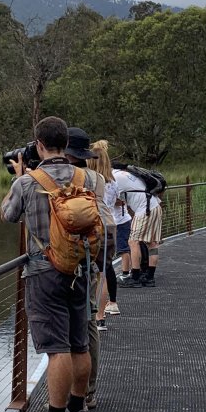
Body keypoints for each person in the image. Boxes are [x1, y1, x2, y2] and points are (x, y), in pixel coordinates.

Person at [1, 117, 113, 412]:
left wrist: (19, 179)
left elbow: (8, 215)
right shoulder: (90, 178)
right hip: (82, 269)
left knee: (57, 350)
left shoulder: (27, 182)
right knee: (79, 344)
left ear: (39, 145)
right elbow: (103, 221)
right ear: (66, 144)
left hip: (44, 272)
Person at [88, 140, 121, 327]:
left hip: (92, 225)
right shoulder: (112, 182)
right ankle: (100, 317)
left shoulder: (88, 180)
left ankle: (90, 315)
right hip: (109, 227)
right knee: (104, 272)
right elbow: (114, 202)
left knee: (90, 272)